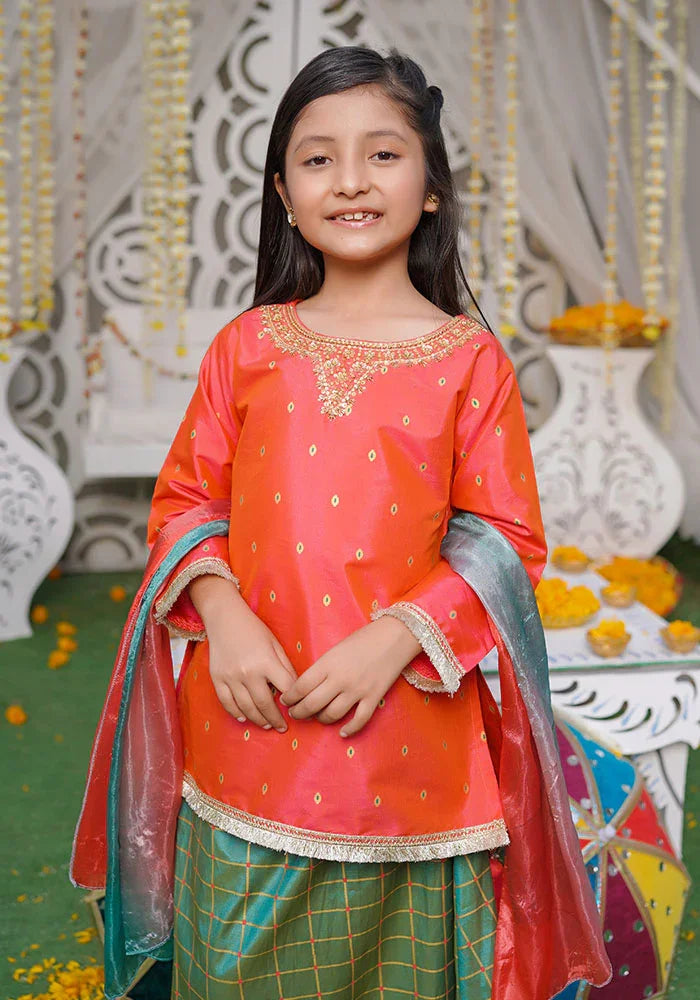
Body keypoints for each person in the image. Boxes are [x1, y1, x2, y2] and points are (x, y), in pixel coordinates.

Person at [71, 45, 611, 1000]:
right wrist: (225, 615)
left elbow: (503, 539)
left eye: (383, 154)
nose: (351, 180)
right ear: (284, 194)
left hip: (408, 740)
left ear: (432, 186)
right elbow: (187, 502)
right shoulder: (248, 346)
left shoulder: (469, 361)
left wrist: (392, 642)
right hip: (248, 722)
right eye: (318, 158)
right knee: (230, 967)